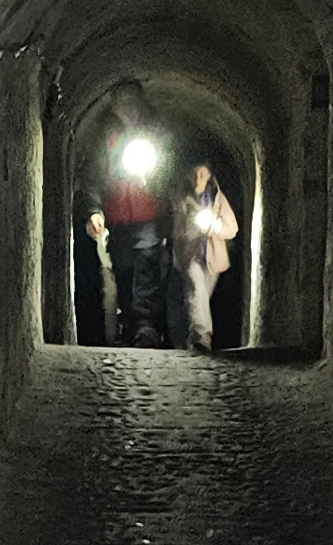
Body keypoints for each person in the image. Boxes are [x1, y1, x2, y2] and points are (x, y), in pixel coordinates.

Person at [81, 81, 172, 348]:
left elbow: (170, 170)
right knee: (124, 269)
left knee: (146, 267)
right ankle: (131, 325)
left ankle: (146, 327)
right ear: (114, 105)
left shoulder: (155, 131)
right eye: (122, 101)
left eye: (132, 101)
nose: (128, 107)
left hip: (147, 214)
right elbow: (93, 176)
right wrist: (93, 210)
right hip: (118, 216)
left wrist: (152, 181)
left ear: (140, 102)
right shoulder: (105, 137)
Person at [171, 159, 239, 353]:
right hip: (191, 256)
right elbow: (176, 229)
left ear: (209, 175)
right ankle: (201, 339)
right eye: (194, 175)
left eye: (201, 174)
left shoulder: (217, 198)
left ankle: (188, 338)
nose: (197, 179)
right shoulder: (181, 197)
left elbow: (232, 228)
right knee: (196, 291)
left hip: (211, 257)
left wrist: (213, 226)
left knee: (200, 297)